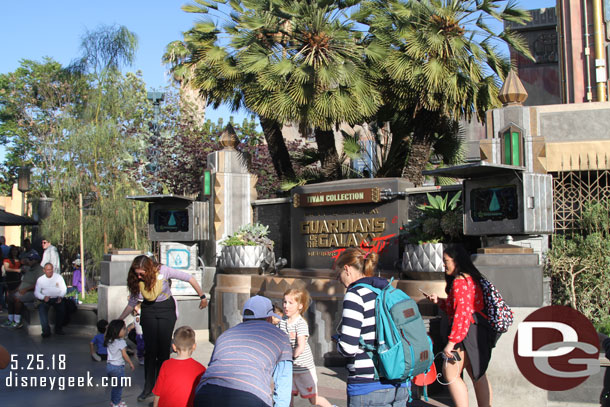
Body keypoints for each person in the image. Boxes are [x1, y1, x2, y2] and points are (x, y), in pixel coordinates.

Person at [117, 255, 208, 402]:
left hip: (166, 309)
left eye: (142, 273)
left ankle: (162, 386)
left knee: (163, 350)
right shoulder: (137, 281)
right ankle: (148, 388)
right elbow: (133, 302)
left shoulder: (163, 271)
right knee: (150, 350)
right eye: (136, 273)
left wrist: (202, 296)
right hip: (149, 310)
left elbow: (188, 278)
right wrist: (119, 319)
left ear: (149, 269)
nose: (139, 276)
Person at [333, 248, 409, 407]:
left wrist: (339, 342)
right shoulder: (388, 290)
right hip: (399, 383)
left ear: (346, 269)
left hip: (367, 385)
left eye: (338, 274)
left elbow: (348, 348)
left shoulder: (355, 294)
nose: (338, 279)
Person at [194, 295, 293, 407]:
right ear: (269, 318)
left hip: (206, 393)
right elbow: (283, 383)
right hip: (250, 396)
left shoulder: (225, 335)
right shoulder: (281, 337)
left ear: (244, 318)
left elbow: (214, 367)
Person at [425, 245, 493, 407]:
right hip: (476, 331)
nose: (444, 265)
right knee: (478, 373)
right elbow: (460, 309)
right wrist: (440, 302)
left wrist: (451, 343)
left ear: (456, 261)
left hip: (464, 334)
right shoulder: (470, 279)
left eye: (446, 261)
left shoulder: (459, 282)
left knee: (450, 373)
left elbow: (461, 315)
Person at [279, 288, 333, 407]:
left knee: (314, 400)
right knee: (287, 398)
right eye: (284, 302)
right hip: (289, 369)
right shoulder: (282, 322)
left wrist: (290, 356)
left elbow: (301, 346)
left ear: (300, 306)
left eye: (290, 303)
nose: (286, 306)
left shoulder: (300, 323)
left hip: (303, 369)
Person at [152, 326, 206, 407]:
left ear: (174, 347)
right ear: (194, 346)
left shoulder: (166, 365)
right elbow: (203, 396)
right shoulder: (201, 369)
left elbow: (158, 393)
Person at [4, 252, 43, 328]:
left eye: (31, 259)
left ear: (36, 260)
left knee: (17, 298)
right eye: (29, 259)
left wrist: (26, 290)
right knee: (10, 297)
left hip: (33, 292)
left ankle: (17, 321)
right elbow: (23, 282)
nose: (29, 261)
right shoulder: (29, 269)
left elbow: (39, 285)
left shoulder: (40, 270)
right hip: (22, 290)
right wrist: (15, 290)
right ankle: (10, 319)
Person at [105, 319, 135, 407]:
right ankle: (116, 403)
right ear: (117, 330)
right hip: (118, 368)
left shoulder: (109, 340)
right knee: (118, 387)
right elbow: (124, 355)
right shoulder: (121, 342)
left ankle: (114, 401)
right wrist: (130, 363)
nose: (125, 330)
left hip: (109, 367)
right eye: (124, 329)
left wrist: (107, 329)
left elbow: (105, 335)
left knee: (115, 387)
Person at [34, 262, 67, 337]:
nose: (49, 271)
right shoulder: (40, 279)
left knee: (61, 309)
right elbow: (36, 292)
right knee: (42, 309)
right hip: (46, 299)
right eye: (48, 270)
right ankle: (46, 331)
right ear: (44, 270)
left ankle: (58, 329)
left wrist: (60, 296)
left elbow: (63, 289)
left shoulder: (58, 277)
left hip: (57, 298)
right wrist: (43, 297)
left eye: (51, 270)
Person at [2, 246, 20, 319]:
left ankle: (16, 319)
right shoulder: (7, 260)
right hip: (10, 281)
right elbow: (7, 268)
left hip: (18, 281)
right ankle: (10, 318)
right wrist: (17, 270)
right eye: (13, 250)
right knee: (9, 300)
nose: (14, 252)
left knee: (16, 300)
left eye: (16, 250)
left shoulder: (20, 260)